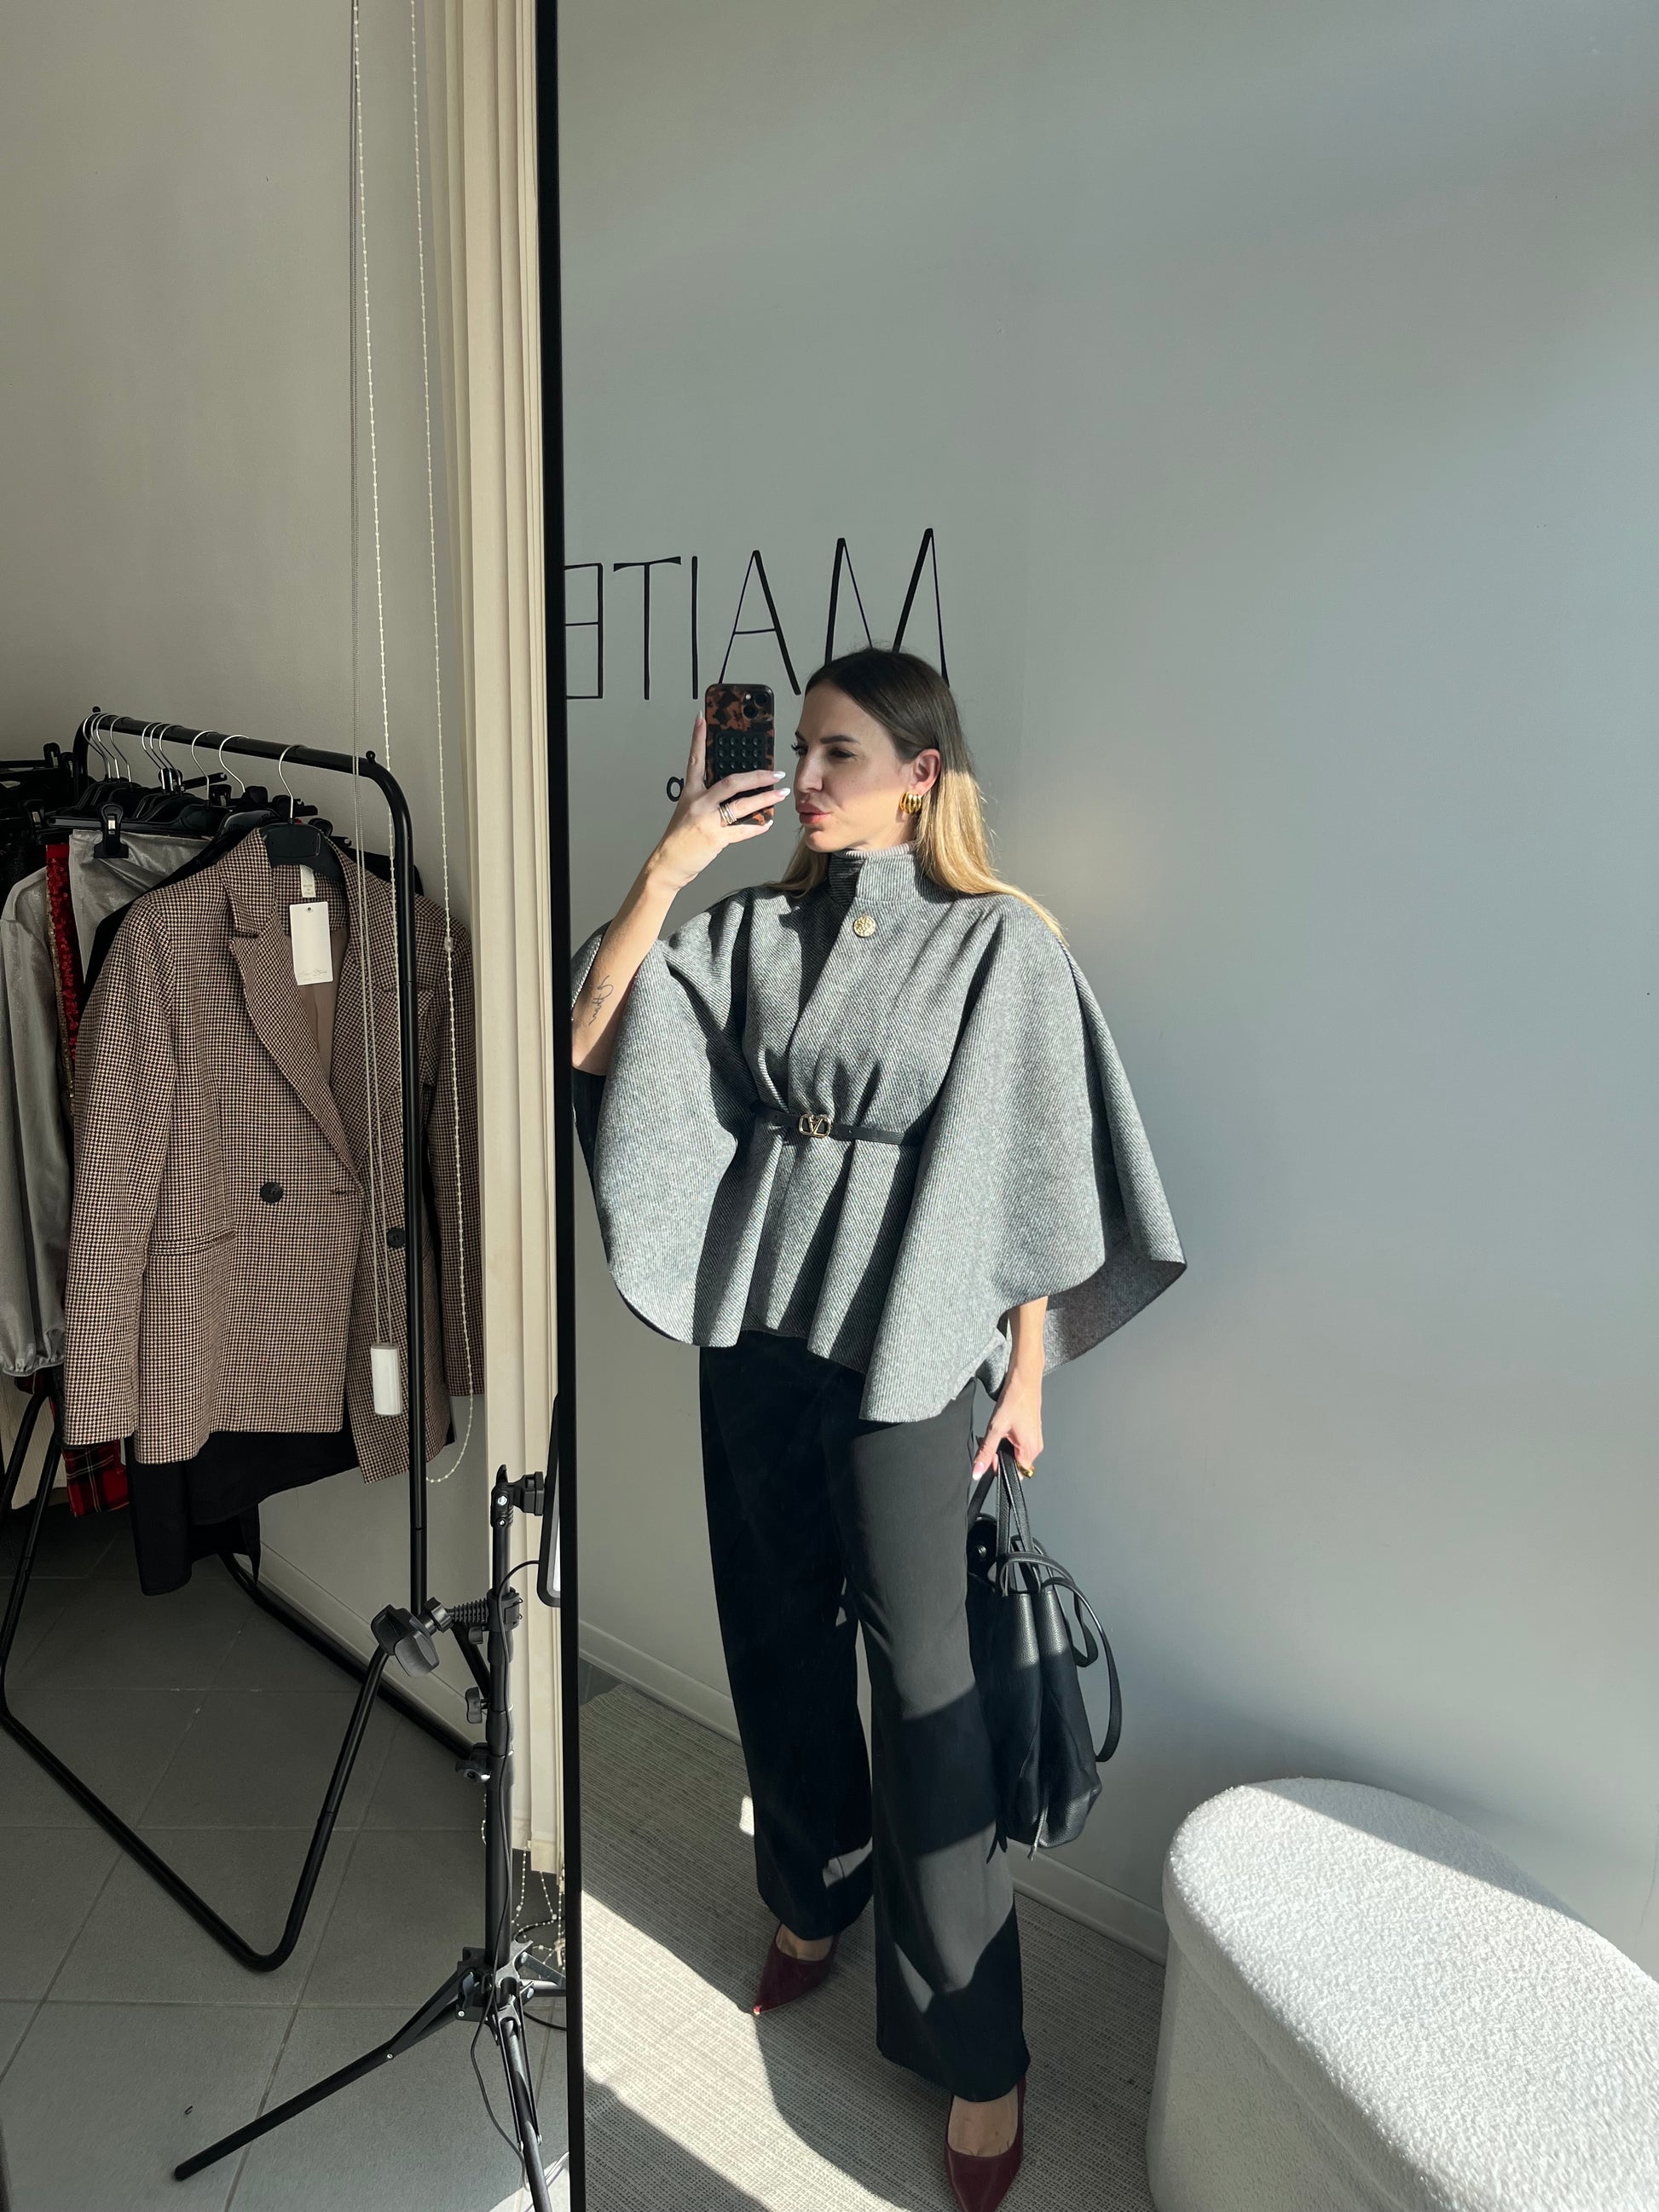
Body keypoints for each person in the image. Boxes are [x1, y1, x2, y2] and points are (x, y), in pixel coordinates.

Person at [571, 647, 1184, 2212]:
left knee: (928, 1695)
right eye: (799, 750)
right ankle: (810, 1891)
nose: (806, 779)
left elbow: (1029, 1172)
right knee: (774, 1636)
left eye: (838, 752)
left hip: (910, 1351)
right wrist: (674, 861)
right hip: (759, 1333)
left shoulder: (998, 944)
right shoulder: (751, 931)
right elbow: (595, 1039)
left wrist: (1028, 1375)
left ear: (921, 771)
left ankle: (981, 2050)